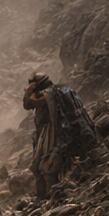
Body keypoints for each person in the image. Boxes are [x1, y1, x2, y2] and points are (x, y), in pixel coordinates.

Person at [24, 73, 67, 204]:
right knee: (40, 167)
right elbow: (28, 105)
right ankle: (44, 197)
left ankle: (50, 197)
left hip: (51, 135)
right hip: (46, 135)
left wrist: (28, 92)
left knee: (46, 167)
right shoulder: (51, 93)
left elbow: (28, 103)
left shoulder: (47, 95)